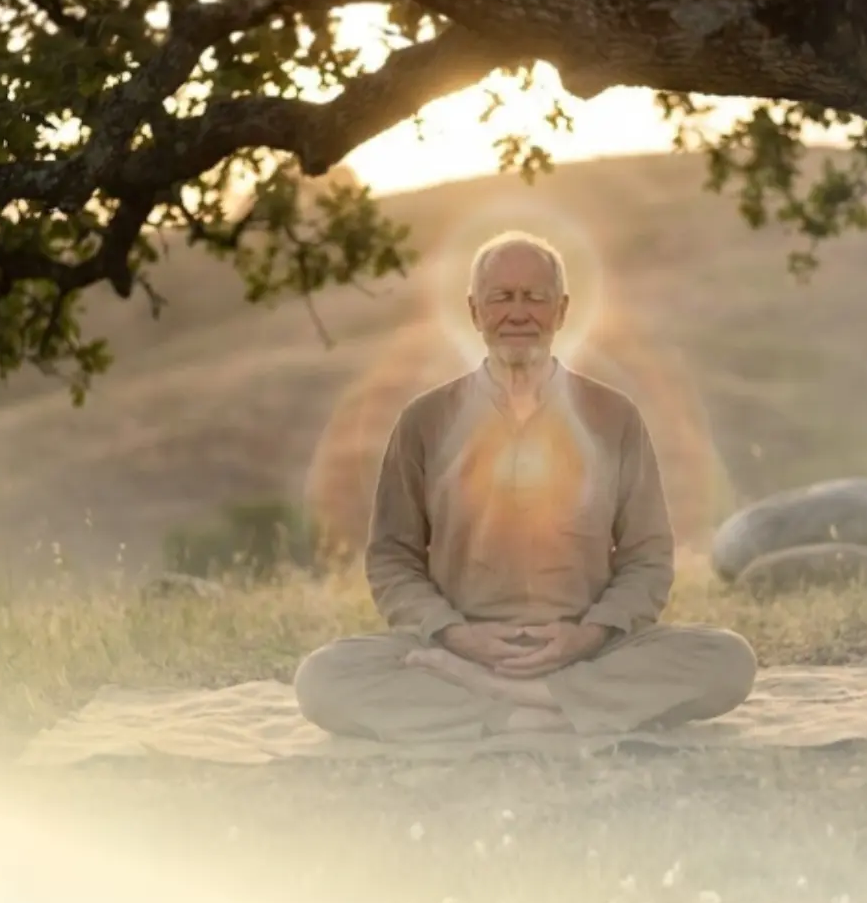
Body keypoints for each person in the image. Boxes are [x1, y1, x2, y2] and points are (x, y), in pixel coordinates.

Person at [294, 231, 758, 742]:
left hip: (590, 650)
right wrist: (455, 635)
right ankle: (563, 710)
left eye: (535, 298)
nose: (519, 313)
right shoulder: (424, 421)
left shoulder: (613, 416)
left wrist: (589, 634)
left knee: (729, 660)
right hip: (457, 648)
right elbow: (392, 557)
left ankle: (512, 705)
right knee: (321, 679)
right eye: (502, 297)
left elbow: (647, 557)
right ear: (475, 312)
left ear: (561, 311)